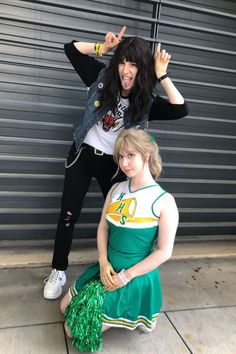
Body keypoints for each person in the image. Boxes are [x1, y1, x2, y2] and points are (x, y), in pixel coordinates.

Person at [43, 26, 188, 300]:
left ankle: (111, 271)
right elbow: (70, 48)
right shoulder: (100, 78)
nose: (126, 70)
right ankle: (58, 270)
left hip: (116, 165)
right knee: (67, 215)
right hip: (82, 156)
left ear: (142, 69)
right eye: (122, 61)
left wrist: (162, 75)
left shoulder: (146, 101)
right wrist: (102, 47)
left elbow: (181, 108)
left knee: (117, 221)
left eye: (133, 64)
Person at [60, 128, 179, 352]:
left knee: (72, 329)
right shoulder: (116, 189)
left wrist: (127, 276)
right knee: (64, 307)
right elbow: (103, 227)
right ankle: (130, 314)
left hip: (135, 276)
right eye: (121, 157)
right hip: (107, 267)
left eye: (130, 155)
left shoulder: (164, 200)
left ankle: (143, 311)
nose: (124, 163)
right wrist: (103, 261)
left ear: (147, 155)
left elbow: (164, 251)